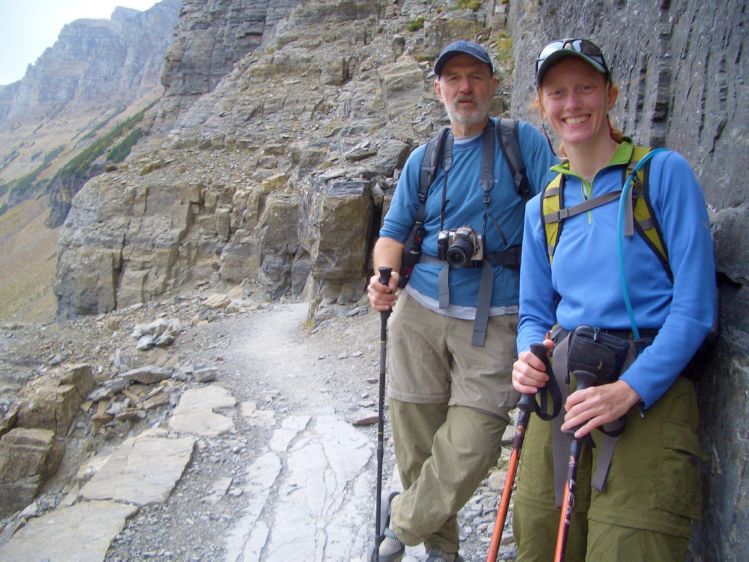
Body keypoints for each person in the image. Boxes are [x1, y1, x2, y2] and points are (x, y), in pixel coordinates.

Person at [511, 38, 716, 561]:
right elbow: (534, 313)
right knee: (540, 539)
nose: (572, 103)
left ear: (610, 94)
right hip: (563, 387)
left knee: (629, 545)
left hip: (647, 389)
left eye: (585, 88)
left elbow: (694, 309)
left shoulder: (662, 175)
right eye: (557, 93)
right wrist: (527, 356)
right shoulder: (542, 207)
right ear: (542, 105)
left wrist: (630, 389)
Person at [367, 40, 557, 562]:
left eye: (475, 76)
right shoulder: (424, 159)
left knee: (474, 441)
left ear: (493, 85)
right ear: (439, 90)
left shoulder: (523, 144)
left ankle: (401, 520)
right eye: (453, 78)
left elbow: (558, 220)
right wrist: (382, 277)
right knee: (417, 439)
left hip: (498, 316)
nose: (465, 88)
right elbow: (392, 234)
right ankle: (442, 550)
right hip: (418, 313)